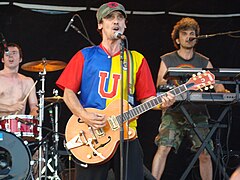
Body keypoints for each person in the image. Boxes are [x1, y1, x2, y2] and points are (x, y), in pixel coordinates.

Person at [56, 2, 175, 180]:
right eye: (110, 17)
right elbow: (68, 92)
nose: (115, 21)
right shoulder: (85, 55)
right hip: (93, 133)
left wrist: (163, 103)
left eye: (120, 17)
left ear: (125, 24)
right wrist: (84, 115)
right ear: (100, 24)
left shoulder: (136, 59)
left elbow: (148, 99)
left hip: (127, 135)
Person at [151, 17, 229, 180]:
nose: (188, 36)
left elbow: (217, 85)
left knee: (205, 153)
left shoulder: (204, 61)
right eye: (184, 33)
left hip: (198, 112)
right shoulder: (168, 59)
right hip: (173, 111)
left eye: (192, 33)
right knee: (163, 148)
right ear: (177, 39)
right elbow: (160, 83)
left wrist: (224, 91)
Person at [0, 43, 39, 178]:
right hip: (1, 127)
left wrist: (32, 115)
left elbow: (34, 106)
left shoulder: (28, 81)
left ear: (20, 59)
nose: (11, 56)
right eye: (7, 53)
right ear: (2, 59)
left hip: (20, 128)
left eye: (14, 53)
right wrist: (9, 108)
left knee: (39, 152)